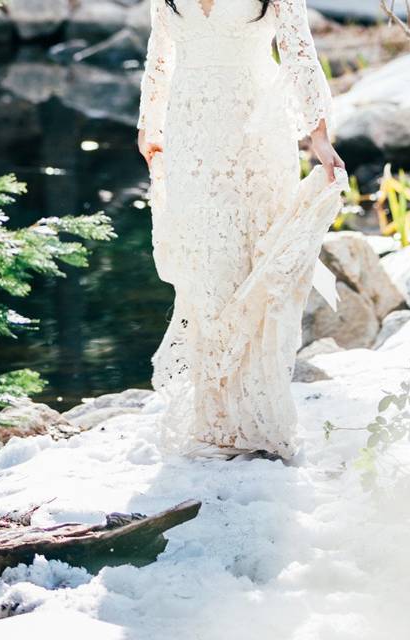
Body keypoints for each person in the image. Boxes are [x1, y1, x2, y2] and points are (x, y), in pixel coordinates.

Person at [137, 0, 346, 459]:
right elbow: (161, 52)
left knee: (253, 259)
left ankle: (260, 416)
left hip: (256, 133)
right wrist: (149, 124)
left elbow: (298, 51)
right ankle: (213, 419)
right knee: (207, 264)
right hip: (191, 133)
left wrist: (320, 137)